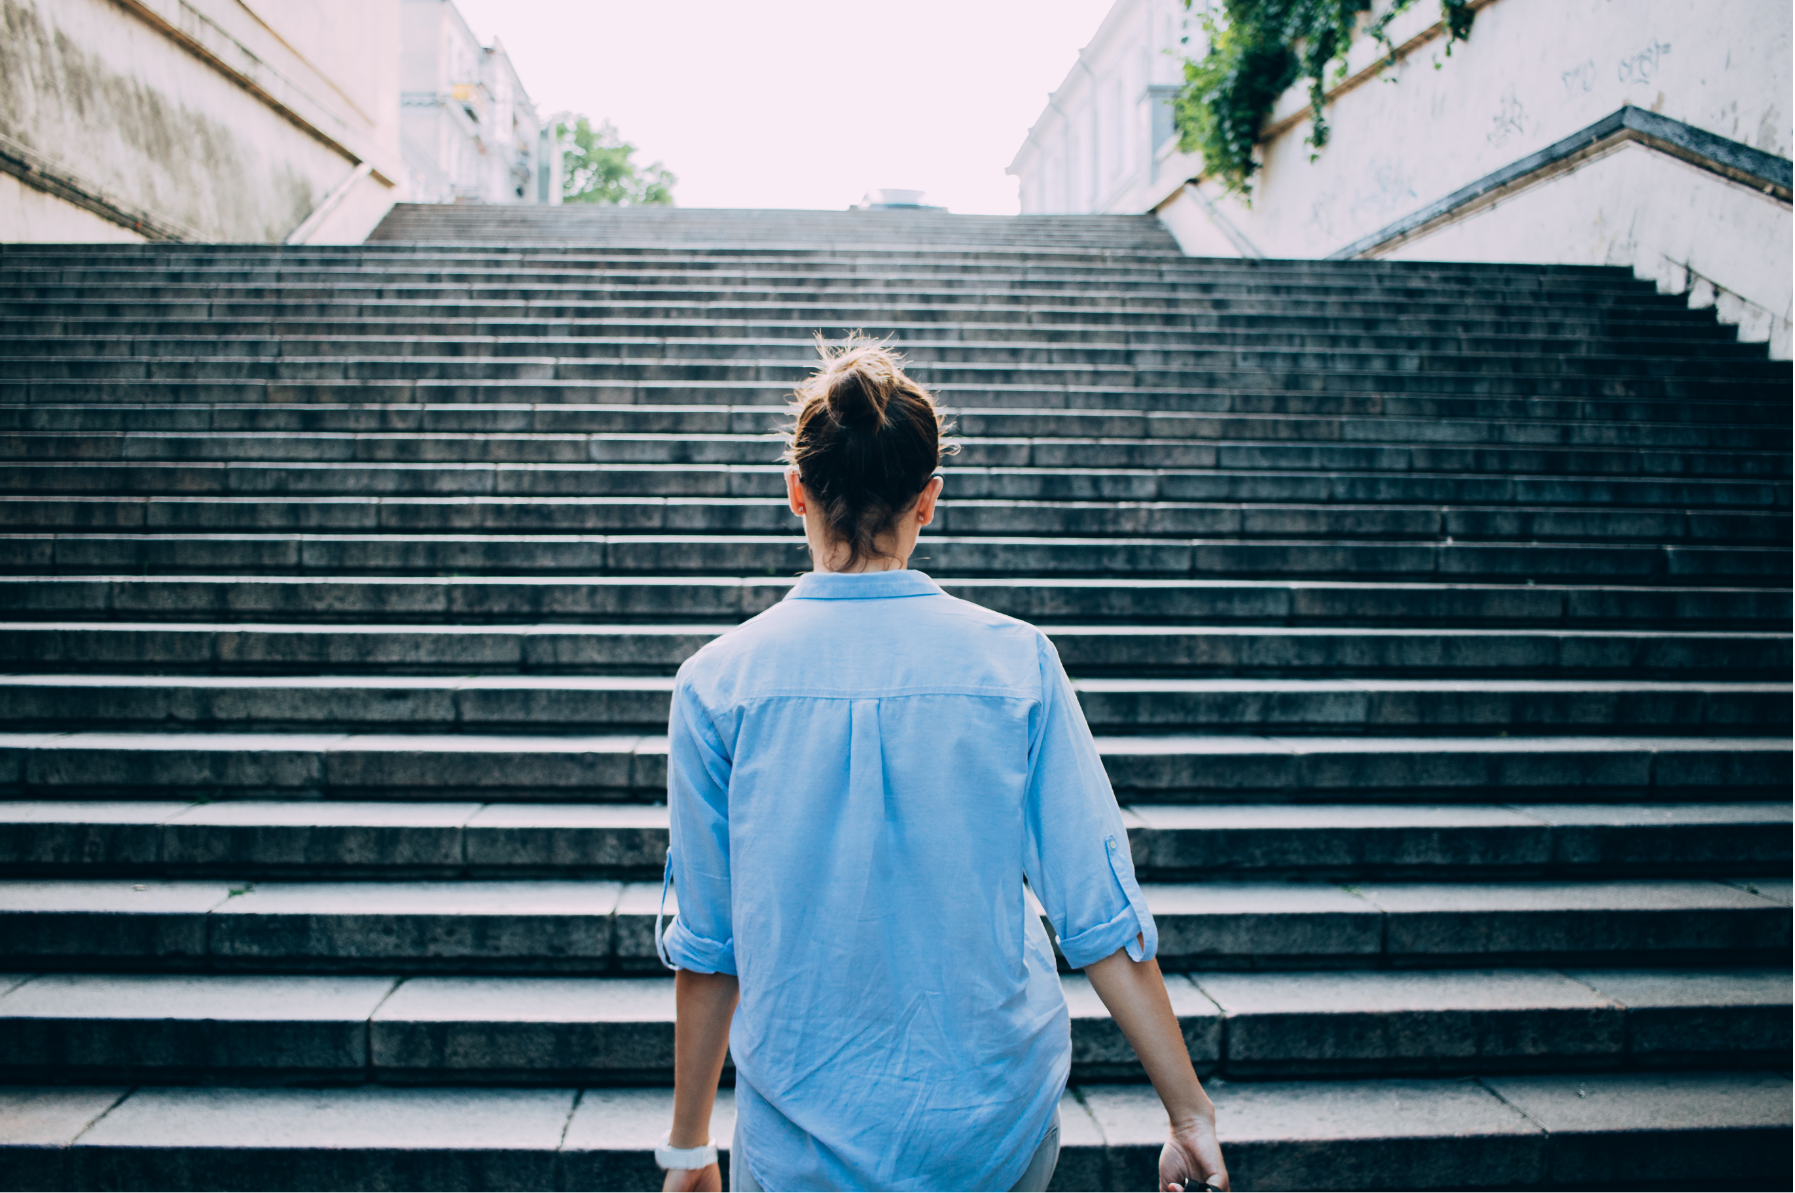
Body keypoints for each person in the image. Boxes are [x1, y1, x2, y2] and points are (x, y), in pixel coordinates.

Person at [654, 343, 1229, 1193]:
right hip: (992, 1117)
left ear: (795, 491)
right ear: (929, 499)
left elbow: (709, 942)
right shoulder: (1016, 663)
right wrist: (1187, 1114)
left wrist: (689, 1146)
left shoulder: (716, 682)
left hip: (799, 1123)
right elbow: (1098, 909)